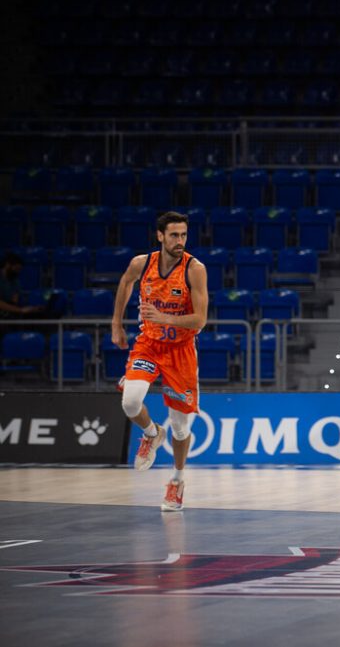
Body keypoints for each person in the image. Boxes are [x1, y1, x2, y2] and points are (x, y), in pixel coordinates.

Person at [112, 211, 208, 512]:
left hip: (180, 350)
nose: (180, 241)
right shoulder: (141, 263)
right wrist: (116, 323)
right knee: (130, 402)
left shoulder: (195, 269)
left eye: (184, 235)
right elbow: (125, 283)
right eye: (174, 235)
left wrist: (164, 317)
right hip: (149, 344)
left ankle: (177, 480)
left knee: (180, 428)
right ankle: (152, 433)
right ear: (160, 236)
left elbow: (200, 320)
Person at [0, 253, 45, 319]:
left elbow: (15, 300)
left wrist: (33, 308)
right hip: (3, 313)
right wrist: (20, 310)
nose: (18, 272)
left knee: (40, 315)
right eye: (16, 269)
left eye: (19, 270)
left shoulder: (15, 280)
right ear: (7, 265)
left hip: (11, 310)